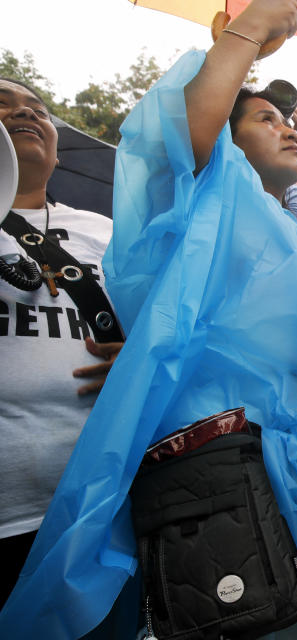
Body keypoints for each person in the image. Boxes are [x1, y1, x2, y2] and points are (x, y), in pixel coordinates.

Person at [0, 1, 297, 637]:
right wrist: (249, 32)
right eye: (266, 117)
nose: (290, 127)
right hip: (226, 498)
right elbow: (176, 140)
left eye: (291, 119)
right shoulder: (186, 214)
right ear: (225, 145)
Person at [0, 77, 123, 610]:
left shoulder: (109, 230)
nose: (25, 113)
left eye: (39, 109)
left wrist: (135, 359)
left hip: (94, 508)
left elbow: (158, 333)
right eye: (3, 105)